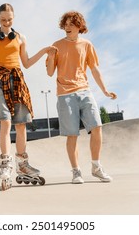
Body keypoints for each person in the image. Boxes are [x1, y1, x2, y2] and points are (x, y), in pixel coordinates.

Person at [0, 3, 55, 190]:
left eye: (9, 19)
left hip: (18, 80)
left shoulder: (20, 38)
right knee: (5, 122)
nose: (6, 22)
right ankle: (5, 164)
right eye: (3, 19)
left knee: (21, 124)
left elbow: (26, 63)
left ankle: (22, 165)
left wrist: (44, 51)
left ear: (14, 18)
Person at [46, 10, 117, 184]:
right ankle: (76, 172)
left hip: (85, 91)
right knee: (72, 135)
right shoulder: (56, 45)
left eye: (71, 24)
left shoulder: (87, 45)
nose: (67, 27)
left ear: (80, 26)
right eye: (66, 24)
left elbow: (94, 70)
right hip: (65, 94)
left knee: (97, 127)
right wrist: (49, 57)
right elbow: (49, 73)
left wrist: (105, 91)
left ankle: (96, 167)